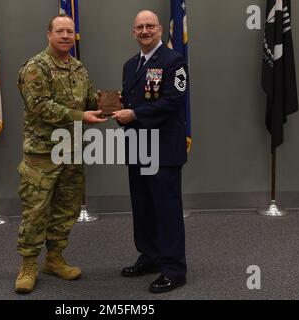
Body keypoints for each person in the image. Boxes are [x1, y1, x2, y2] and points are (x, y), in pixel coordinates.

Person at [15, 14, 106, 294]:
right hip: (43, 153)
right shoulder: (35, 67)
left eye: (69, 31)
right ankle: (28, 264)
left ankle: (54, 258)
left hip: (72, 151)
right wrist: (81, 115)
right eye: (60, 31)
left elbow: (89, 99)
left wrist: (112, 103)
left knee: (67, 208)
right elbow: (40, 106)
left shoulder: (78, 68)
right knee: (36, 210)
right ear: (49, 35)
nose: (65, 36)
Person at [112, 10, 189, 293]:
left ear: (159, 30)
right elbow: (133, 97)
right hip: (138, 147)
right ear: (133, 32)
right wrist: (119, 105)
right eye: (139, 27)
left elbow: (173, 101)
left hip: (163, 148)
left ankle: (174, 269)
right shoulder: (130, 65)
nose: (145, 31)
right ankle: (150, 255)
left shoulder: (174, 61)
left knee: (167, 209)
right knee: (143, 206)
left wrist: (134, 113)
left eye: (150, 26)